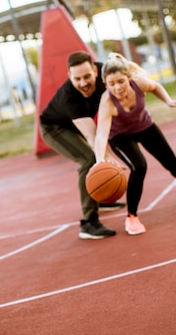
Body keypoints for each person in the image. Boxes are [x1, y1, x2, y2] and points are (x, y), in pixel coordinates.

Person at [93, 53, 176, 235]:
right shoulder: (107, 101)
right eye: (111, 84)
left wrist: (168, 101)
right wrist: (100, 160)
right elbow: (101, 135)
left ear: (129, 78)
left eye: (121, 81)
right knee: (139, 166)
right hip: (120, 136)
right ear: (106, 84)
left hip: (145, 126)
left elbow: (156, 86)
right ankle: (132, 218)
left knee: (173, 164)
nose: (117, 87)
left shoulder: (139, 83)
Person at [39, 51, 125, 240]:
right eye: (77, 79)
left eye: (87, 76)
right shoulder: (70, 97)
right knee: (88, 160)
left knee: (99, 155)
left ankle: (99, 199)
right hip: (54, 128)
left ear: (95, 70)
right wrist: (108, 158)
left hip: (75, 125)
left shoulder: (106, 73)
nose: (83, 83)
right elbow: (91, 134)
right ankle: (89, 223)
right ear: (69, 77)